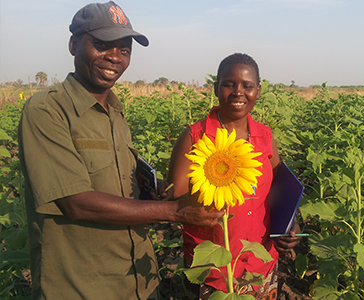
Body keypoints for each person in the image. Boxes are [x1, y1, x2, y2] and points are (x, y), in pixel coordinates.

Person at [18, 2, 224, 300]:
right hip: (82, 286)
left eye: (124, 49)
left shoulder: (115, 110)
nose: (114, 57)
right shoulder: (47, 110)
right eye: (102, 45)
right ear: (73, 44)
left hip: (139, 279)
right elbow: (75, 202)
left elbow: (114, 185)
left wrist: (150, 194)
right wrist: (173, 211)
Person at [167, 53, 301, 299]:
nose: (238, 92)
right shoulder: (195, 138)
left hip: (261, 260)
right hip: (214, 269)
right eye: (229, 84)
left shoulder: (265, 136)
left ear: (258, 91)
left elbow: (278, 190)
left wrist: (289, 223)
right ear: (216, 88)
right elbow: (174, 201)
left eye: (247, 86)